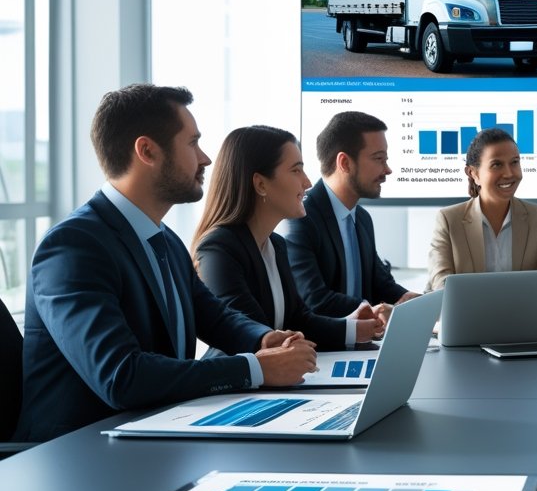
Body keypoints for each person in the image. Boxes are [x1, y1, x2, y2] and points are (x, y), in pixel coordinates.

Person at [15, 85, 317, 443]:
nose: (205, 159)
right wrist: (255, 368)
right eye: (192, 143)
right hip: (80, 455)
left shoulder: (164, 240)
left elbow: (215, 317)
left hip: (155, 434)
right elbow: (121, 376)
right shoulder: (73, 247)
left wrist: (265, 339)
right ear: (147, 151)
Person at [193, 125, 384, 350]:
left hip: (280, 379)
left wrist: (355, 328)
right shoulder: (219, 249)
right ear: (261, 184)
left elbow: (299, 319)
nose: (307, 182)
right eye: (296, 170)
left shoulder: (276, 245)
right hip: (242, 382)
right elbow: (249, 333)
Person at [285, 111, 418, 321]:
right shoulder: (300, 220)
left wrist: (410, 300)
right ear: (345, 163)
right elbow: (315, 300)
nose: (388, 169)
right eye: (379, 159)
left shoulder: (362, 218)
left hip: (362, 343)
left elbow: (380, 283)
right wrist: (377, 310)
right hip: (321, 349)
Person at [426, 128, 537, 291]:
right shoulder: (449, 219)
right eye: (497, 165)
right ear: (473, 173)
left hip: (522, 316)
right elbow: (441, 285)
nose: (509, 173)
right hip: (466, 315)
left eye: (515, 162)